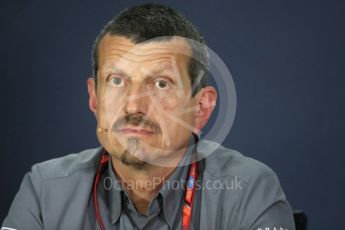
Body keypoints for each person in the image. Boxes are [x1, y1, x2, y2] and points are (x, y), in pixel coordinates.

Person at [1, 4, 295, 230]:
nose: (133, 106)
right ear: (94, 97)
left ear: (201, 107)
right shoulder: (45, 189)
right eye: (117, 80)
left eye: (160, 84)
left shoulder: (248, 190)